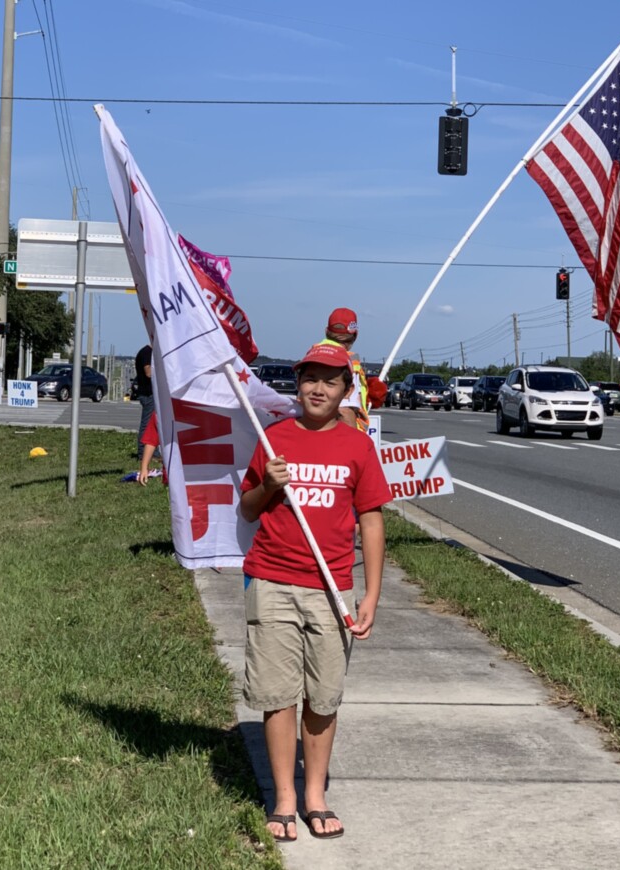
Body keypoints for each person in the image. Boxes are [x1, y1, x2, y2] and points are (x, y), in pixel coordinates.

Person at [239, 342, 392, 842]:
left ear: (347, 390)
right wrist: (270, 486)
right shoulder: (274, 438)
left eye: (330, 380)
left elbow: (371, 520)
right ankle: (284, 798)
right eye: (310, 378)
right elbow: (247, 508)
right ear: (297, 383)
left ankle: (315, 795)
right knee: (278, 696)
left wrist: (370, 595)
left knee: (323, 699)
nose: (318, 388)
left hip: (331, 590)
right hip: (273, 581)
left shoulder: (358, 447)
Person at [317, 307, 386, 430]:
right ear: (355, 335)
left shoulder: (314, 355)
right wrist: (354, 443)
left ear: (326, 332)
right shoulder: (348, 362)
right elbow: (345, 410)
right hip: (341, 439)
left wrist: (366, 396)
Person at [135, 343, 157, 460]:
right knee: (147, 424)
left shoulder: (149, 352)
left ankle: (152, 451)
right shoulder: (147, 352)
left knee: (153, 424)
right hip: (148, 394)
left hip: (151, 393)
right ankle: (143, 452)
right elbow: (148, 372)